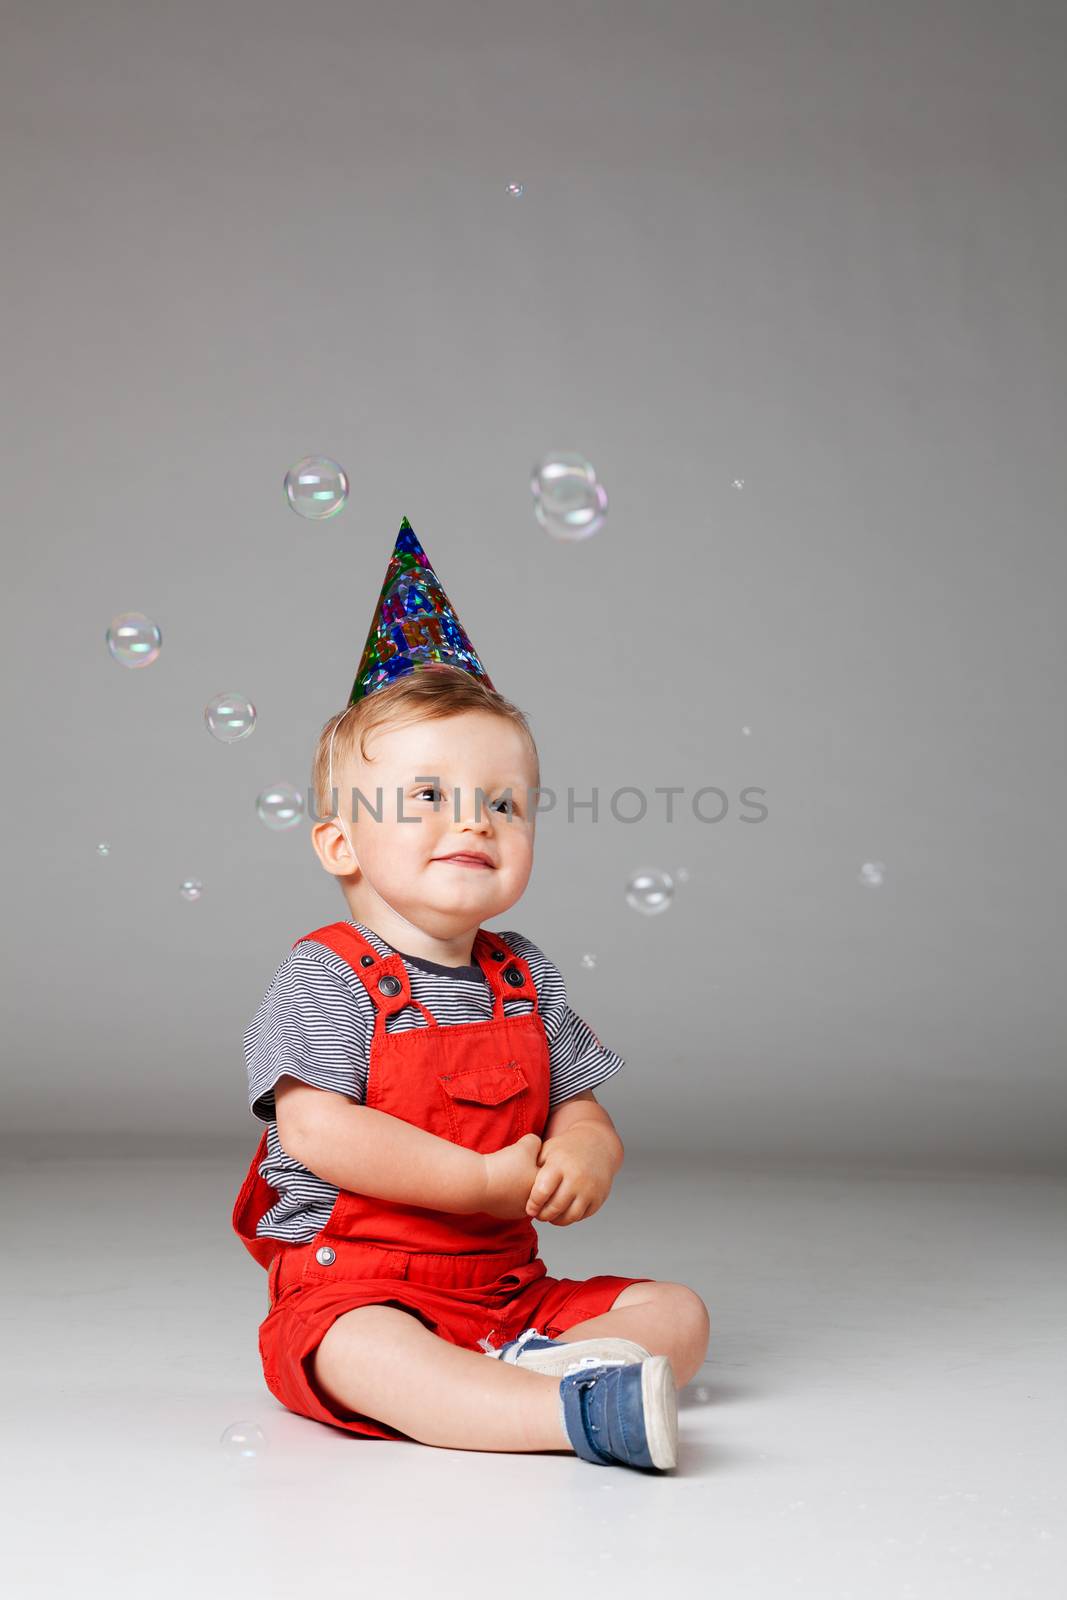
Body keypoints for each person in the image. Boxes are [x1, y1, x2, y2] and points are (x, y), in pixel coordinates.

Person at [232, 519, 710, 1470]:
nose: (474, 821)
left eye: (502, 803)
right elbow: (316, 1130)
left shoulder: (522, 975)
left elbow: (580, 1100)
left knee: (677, 1313)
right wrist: (481, 1182)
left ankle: (535, 1370)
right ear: (339, 845)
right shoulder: (327, 975)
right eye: (426, 798)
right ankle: (563, 1414)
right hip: (357, 1285)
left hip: (502, 1287)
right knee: (366, 1353)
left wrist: (583, 1151)